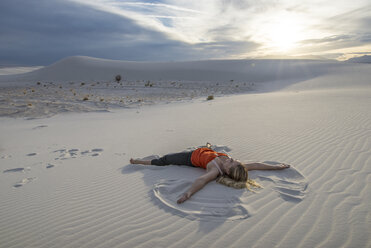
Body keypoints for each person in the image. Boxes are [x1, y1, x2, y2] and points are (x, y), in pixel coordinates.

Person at [130, 144, 290, 204]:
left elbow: (202, 180)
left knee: (164, 160)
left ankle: (140, 162)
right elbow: (256, 165)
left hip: (190, 157)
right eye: (235, 161)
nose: (233, 159)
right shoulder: (236, 166)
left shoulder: (215, 170)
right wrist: (277, 167)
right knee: (209, 148)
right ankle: (207, 146)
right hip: (208, 150)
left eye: (232, 162)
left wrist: (188, 193)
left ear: (227, 171)